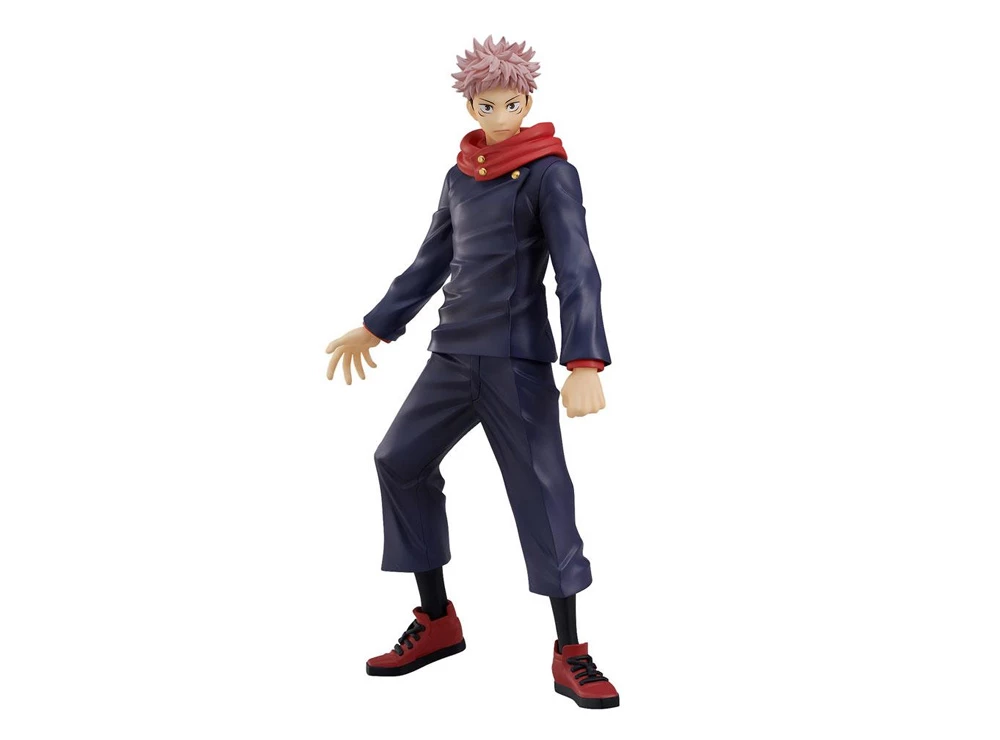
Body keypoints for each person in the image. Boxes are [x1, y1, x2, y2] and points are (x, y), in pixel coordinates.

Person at [325, 35, 618, 709]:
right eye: (487, 105)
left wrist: (585, 359)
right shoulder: (459, 176)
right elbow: (431, 261)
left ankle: (571, 650)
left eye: (511, 103)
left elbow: (577, 268)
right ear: (471, 106)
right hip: (452, 353)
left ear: (528, 101)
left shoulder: (550, 174)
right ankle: (436, 620)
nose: (500, 115)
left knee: (542, 492)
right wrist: (377, 324)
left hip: (515, 359)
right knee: (398, 460)